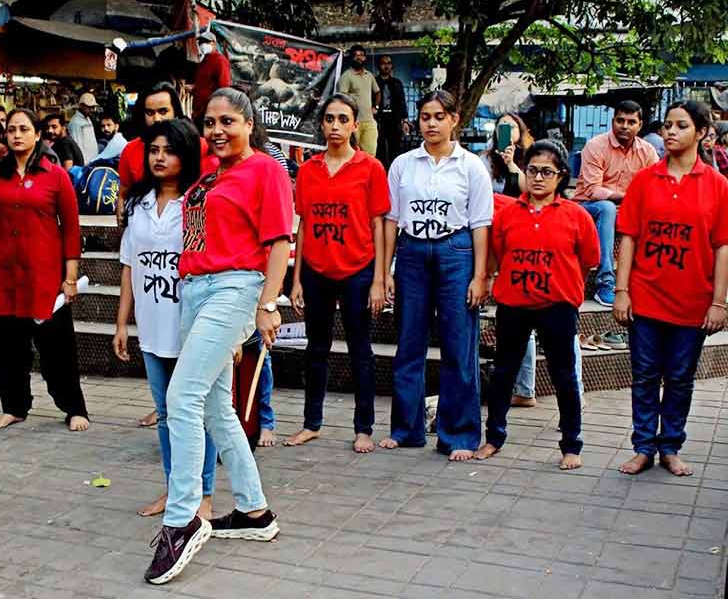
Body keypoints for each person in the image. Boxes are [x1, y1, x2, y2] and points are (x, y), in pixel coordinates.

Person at [144, 88, 291, 585]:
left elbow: (279, 242)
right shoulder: (210, 175)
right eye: (210, 123)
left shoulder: (266, 169)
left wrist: (268, 304)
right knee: (213, 407)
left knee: (181, 397)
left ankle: (183, 519)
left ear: (249, 123)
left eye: (228, 121)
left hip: (236, 286)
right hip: (194, 290)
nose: (218, 131)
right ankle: (254, 513)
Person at [0, 109, 90, 432]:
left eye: (24, 129)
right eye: (11, 129)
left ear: (37, 135)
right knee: (5, 345)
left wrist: (70, 278)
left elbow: (70, 229)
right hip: (0, 275)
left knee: (57, 347)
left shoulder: (55, 176)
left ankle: (74, 408)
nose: (16, 134)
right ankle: (14, 407)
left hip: (43, 275)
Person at [614, 100, 728, 477]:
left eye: (681, 126)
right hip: (646, 298)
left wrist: (719, 301)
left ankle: (671, 446)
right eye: (666, 125)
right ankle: (644, 446)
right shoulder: (646, 181)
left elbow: (723, 247)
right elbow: (629, 237)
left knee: (681, 377)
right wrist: (621, 290)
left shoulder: (718, 186)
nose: (670, 132)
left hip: (692, 302)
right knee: (645, 374)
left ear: (701, 133)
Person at [113, 118, 217, 518]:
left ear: (185, 155)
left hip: (189, 326)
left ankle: (203, 494)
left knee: (197, 414)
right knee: (166, 416)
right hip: (152, 328)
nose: (159, 158)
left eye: (168, 151)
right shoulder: (137, 203)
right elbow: (128, 266)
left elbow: (206, 269)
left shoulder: (196, 203)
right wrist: (122, 323)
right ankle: (175, 490)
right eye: (153, 150)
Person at [381, 90, 492, 460]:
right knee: (409, 341)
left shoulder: (471, 166)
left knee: (458, 345)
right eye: (425, 116)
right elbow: (392, 221)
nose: (431, 123)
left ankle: (458, 434)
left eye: (439, 116)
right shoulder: (402, 165)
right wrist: (387, 271)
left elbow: (480, 224)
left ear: (454, 119)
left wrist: (479, 276)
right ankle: (407, 429)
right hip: (412, 253)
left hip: (455, 253)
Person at [475, 140, 600, 470]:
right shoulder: (507, 215)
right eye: (532, 170)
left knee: (564, 376)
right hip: (513, 304)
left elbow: (589, 260)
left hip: (558, 306)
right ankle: (494, 438)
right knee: (504, 373)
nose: (539, 178)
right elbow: (498, 254)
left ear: (561, 176)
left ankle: (571, 445)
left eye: (547, 171)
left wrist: (565, 285)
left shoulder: (577, 216)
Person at [284, 93, 388, 454]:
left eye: (343, 119)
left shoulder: (370, 168)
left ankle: (364, 428)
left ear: (354, 125)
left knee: (361, 350)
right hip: (315, 270)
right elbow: (302, 224)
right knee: (316, 348)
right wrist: (296, 278)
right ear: (321, 124)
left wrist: (379, 278)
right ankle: (311, 423)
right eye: (329, 119)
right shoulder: (309, 170)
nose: (335, 126)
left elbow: (378, 223)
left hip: (358, 270)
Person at [574, 100, 659, 307]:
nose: (625, 126)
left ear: (639, 125)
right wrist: (629, 197)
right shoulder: (596, 145)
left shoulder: (647, 151)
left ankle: (650, 283)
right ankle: (605, 283)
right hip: (589, 207)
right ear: (613, 122)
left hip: (628, 209)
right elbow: (593, 190)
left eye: (631, 122)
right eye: (620, 120)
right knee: (607, 207)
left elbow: (656, 185)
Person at [117, 82, 217, 227]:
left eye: (163, 111)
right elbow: (124, 193)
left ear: (175, 112)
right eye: (150, 113)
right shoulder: (130, 150)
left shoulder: (199, 146)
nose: (157, 119)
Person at [338, 45, 381, 157]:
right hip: (353, 122)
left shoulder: (369, 75)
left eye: (361, 55)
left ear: (365, 58)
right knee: (352, 154)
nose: (359, 58)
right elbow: (342, 98)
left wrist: (375, 107)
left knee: (370, 155)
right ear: (351, 58)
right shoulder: (346, 76)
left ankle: (368, 175)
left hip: (369, 121)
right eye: (356, 55)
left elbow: (377, 92)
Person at [481, 113, 534, 197]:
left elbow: (529, 191)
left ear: (520, 130)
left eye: (512, 127)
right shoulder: (487, 158)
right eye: (502, 127)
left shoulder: (531, 155)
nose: (507, 131)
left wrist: (511, 164)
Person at [375, 55, 409, 169]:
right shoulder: (374, 82)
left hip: (394, 118)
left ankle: (395, 171)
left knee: (396, 147)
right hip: (379, 118)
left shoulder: (397, 83)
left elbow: (402, 102)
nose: (386, 66)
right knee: (379, 147)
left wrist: (405, 121)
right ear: (378, 66)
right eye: (383, 63)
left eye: (389, 63)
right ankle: (381, 171)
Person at [191, 31, 232, 126]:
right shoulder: (203, 61)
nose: (202, 45)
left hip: (210, 110)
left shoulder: (220, 61)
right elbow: (204, 83)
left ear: (213, 43)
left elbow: (224, 86)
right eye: (200, 42)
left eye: (205, 42)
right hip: (198, 110)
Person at [68, 92, 100, 164]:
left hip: (92, 160)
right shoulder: (75, 122)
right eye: (89, 107)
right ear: (81, 106)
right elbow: (78, 146)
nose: (92, 109)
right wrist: (83, 164)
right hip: (85, 163)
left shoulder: (88, 119)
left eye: (93, 107)